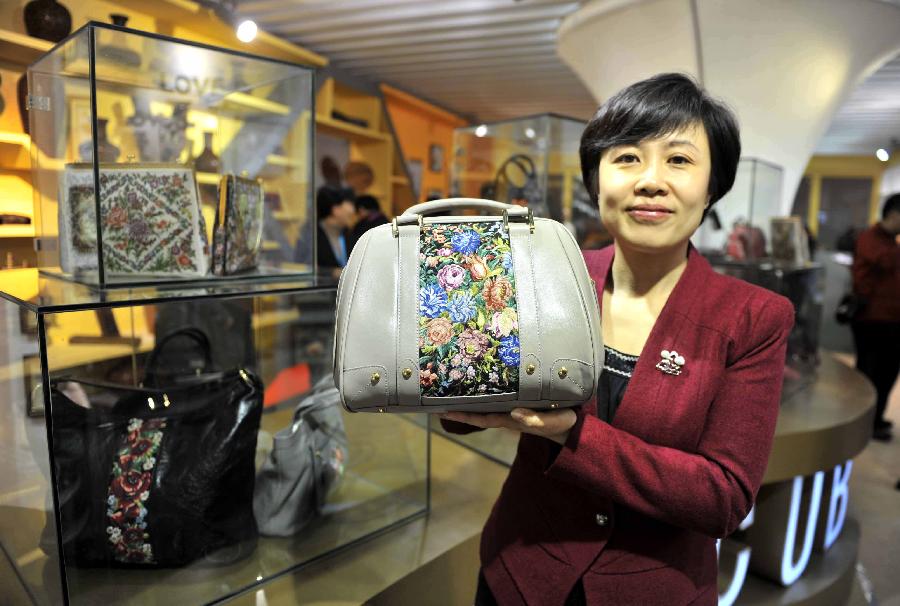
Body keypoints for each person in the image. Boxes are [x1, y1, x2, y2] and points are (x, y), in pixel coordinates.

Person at [439, 73, 794, 605]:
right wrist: (455, 353)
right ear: (595, 179)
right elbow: (461, 410)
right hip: (521, 570)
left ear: (713, 184)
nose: (651, 180)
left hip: (654, 588)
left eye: (679, 160)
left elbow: (723, 497)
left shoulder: (753, 318)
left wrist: (570, 435)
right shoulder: (547, 275)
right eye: (627, 157)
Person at [851, 193, 900, 442]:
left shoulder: (890, 242)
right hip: (873, 320)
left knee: (887, 373)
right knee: (870, 374)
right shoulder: (871, 239)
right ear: (893, 215)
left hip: (890, 320)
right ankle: (864, 423)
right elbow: (876, 268)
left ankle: (875, 419)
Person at [311, 186, 356, 278]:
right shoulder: (311, 236)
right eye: (350, 204)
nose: (353, 210)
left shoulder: (349, 234)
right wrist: (331, 272)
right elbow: (302, 267)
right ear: (335, 209)